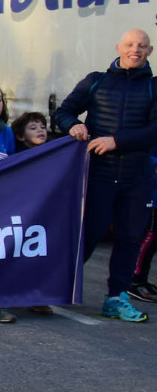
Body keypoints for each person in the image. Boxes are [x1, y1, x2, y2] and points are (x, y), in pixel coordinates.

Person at [54, 28, 157, 322]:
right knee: (86, 236)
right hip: (99, 175)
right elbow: (63, 112)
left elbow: (154, 131)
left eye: (141, 46)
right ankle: (52, 287)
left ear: (149, 51)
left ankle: (116, 298)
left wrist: (117, 141)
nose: (134, 50)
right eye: (129, 45)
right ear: (118, 47)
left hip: (138, 177)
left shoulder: (153, 87)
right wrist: (73, 124)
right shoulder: (96, 81)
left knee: (129, 239)